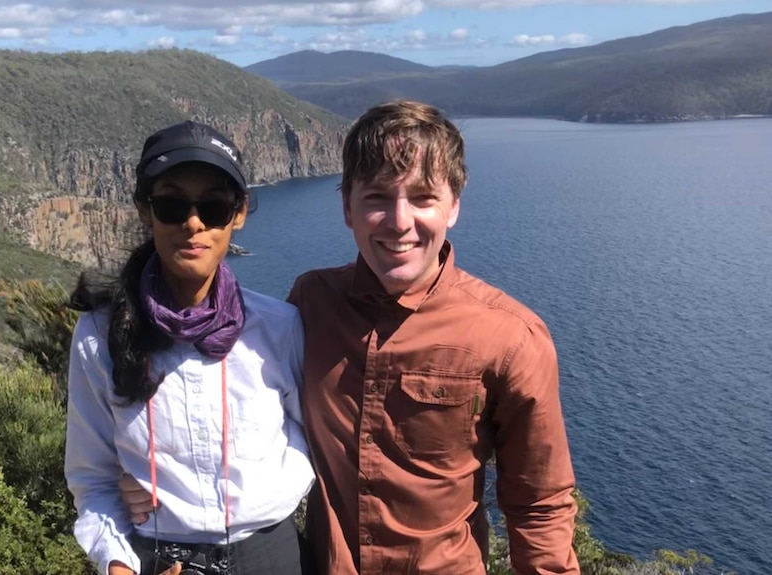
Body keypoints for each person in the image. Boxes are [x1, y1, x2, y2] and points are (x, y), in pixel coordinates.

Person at [122, 101, 579, 574]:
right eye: (378, 197)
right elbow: (242, 415)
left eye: (423, 197)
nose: (400, 221)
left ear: (454, 205)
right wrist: (146, 474)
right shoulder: (310, 303)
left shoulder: (509, 337)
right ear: (347, 207)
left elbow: (540, 504)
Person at [64, 120, 314, 575]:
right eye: (172, 204)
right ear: (146, 211)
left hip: (272, 559)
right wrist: (118, 565)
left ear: (238, 214)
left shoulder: (279, 328)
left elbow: (319, 443)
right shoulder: (98, 336)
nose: (193, 222)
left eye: (214, 206)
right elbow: (93, 479)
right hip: (155, 560)